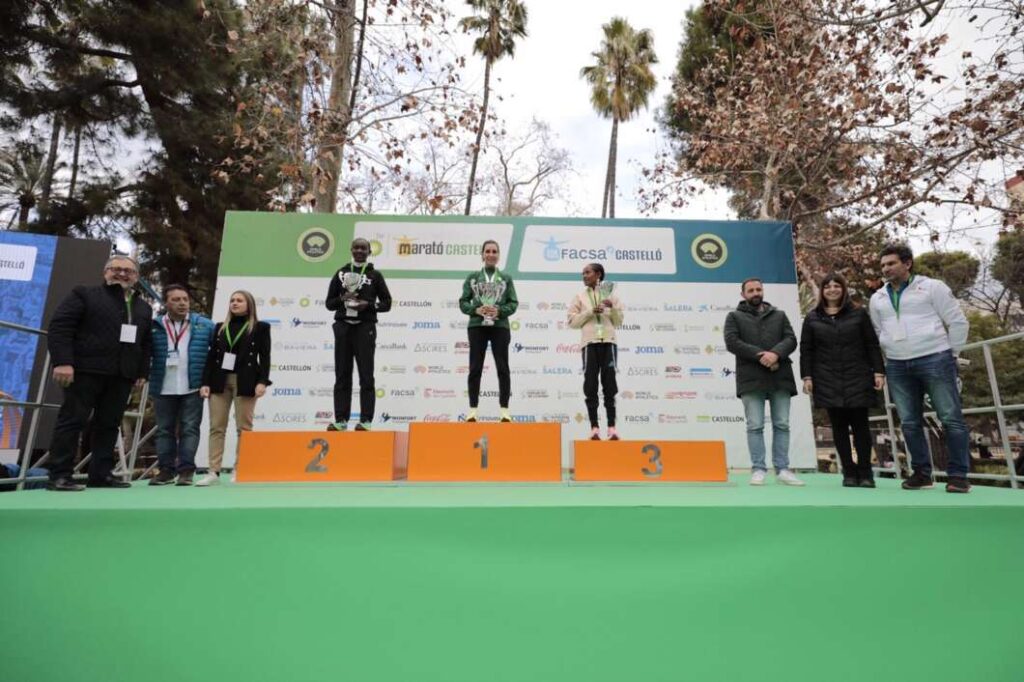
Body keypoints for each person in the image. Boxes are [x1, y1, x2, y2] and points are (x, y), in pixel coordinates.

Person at [868, 242, 971, 493]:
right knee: (909, 422)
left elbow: (957, 321)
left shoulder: (932, 287)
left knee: (950, 417)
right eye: (883, 265)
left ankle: (958, 476)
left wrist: (952, 354)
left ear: (907, 263)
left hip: (935, 358)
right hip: (897, 365)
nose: (886, 269)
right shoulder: (878, 298)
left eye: (891, 263)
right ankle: (922, 474)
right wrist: (890, 352)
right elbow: (879, 331)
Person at [45, 255, 153, 491]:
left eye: (128, 271)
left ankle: (101, 474)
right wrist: (63, 362)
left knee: (109, 424)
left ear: (136, 277)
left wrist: (142, 371)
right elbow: (60, 327)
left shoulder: (143, 308)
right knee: (72, 421)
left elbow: (145, 343)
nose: (122, 274)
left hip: (121, 375)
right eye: (116, 269)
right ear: (106, 272)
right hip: (86, 370)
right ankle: (60, 475)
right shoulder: (84, 294)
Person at [800, 273, 885, 488]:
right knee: (838, 428)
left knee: (861, 427)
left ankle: (865, 472)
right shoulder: (812, 318)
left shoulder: (858, 314)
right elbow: (806, 350)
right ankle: (848, 471)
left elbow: (871, 344)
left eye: (836, 285)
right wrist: (807, 376)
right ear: (822, 291)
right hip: (826, 378)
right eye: (827, 286)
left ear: (843, 289)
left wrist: (878, 371)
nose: (832, 290)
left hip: (858, 376)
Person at [724, 277, 804, 486]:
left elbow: (791, 339)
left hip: (780, 375)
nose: (755, 293)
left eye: (758, 289)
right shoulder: (734, 316)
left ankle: (783, 469)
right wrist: (762, 355)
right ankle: (758, 469)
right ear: (743, 294)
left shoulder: (779, 315)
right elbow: (732, 342)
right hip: (751, 378)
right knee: (755, 425)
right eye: (750, 290)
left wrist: (775, 354)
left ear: (763, 291)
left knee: (782, 424)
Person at [196, 290, 271, 486]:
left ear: (249, 304)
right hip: (219, 380)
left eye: (239, 300)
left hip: (246, 381)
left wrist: (263, 381)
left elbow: (265, 356)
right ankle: (213, 472)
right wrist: (205, 383)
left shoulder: (261, 327)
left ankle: (240, 469)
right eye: (232, 300)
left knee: (244, 428)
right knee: (216, 427)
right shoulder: (220, 327)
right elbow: (212, 357)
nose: (234, 303)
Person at [148, 284, 215, 486]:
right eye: (176, 300)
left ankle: (186, 471)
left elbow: (216, 355)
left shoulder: (205, 325)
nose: (182, 303)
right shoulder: (154, 326)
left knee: (190, 428)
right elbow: (143, 353)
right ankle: (166, 471)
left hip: (193, 386)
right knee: (164, 430)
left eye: (185, 299)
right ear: (166, 303)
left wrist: (209, 381)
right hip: (163, 386)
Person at [324, 238, 392, 431]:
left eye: (363, 248)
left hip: (365, 328)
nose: (360, 251)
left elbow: (387, 303)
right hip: (343, 327)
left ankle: (366, 420)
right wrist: (343, 298)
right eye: (356, 247)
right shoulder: (341, 273)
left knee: (366, 376)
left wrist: (368, 305)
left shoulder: (375, 275)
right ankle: (341, 420)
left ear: (369, 251)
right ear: (351, 250)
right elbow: (329, 304)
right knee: (342, 375)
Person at [459, 239, 519, 422]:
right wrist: (475, 310)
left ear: (498, 255)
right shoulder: (473, 278)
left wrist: (499, 311)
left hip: (500, 327)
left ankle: (505, 410)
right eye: (488, 251)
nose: (491, 254)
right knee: (475, 368)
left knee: (503, 368)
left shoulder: (506, 278)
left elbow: (513, 303)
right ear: (482, 255)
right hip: (477, 326)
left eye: (494, 251)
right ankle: (472, 410)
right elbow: (463, 302)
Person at [567, 263, 624, 440]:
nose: (584, 276)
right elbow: (572, 322)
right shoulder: (579, 297)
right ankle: (594, 428)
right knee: (590, 385)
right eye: (583, 273)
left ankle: (612, 428)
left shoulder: (611, 295)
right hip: (589, 344)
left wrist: (611, 308)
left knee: (610, 385)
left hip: (608, 343)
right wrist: (590, 312)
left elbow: (619, 321)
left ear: (598, 274)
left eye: (588, 272)